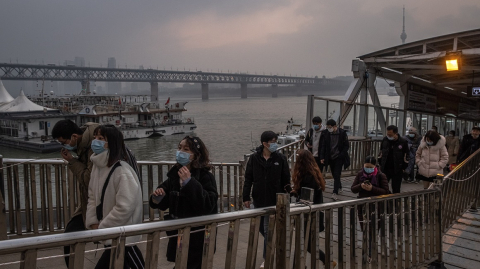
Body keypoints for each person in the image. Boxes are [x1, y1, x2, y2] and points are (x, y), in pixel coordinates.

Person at [149, 136, 218, 269]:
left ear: (196, 155)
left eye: (186, 149)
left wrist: (189, 182)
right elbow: (164, 201)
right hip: (179, 235)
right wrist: (157, 197)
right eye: (179, 148)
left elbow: (208, 205)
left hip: (199, 236)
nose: (180, 152)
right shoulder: (175, 175)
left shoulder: (205, 177)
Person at [85, 125, 145, 268]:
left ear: (111, 142)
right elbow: (92, 196)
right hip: (110, 233)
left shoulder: (122, 170)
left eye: (101, 138)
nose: (95, 142)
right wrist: (93, 221)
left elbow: (125, 207)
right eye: (95, 138)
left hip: (123, 235)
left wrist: (104, 227)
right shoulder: (97, 167)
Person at [52, 119, 98, 267]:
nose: (63, 145)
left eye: (63, 141)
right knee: (70, 236)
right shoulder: (83, 145)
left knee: (114, 244)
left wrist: (72, 161)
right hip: (89, 202)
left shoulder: (93, 146)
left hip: (101, 203)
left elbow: (88, 179)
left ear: (74, 136)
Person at [242, 131, 290, 268]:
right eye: (273, 142)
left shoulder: (280, 158)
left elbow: (286, 179)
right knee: (261, 228)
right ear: (265, 143)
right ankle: (273, 244)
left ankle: (266, 258)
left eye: (276, 141)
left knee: (267, 228)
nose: (275, 144)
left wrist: (289, 195)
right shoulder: (254, 158)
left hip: (274, 199)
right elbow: (248, 178)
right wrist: (246, 196)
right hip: (258, 198)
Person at [291, 149, 337, 268]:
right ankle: (302, 264)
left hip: (309, 215)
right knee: (304, 242)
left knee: (304, 242)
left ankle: (325, 260)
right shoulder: (312, 173)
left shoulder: (308, 177)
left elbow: (307, 198)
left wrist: (296, 194)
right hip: (313, 214)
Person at [351, 156, 390, 263]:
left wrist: (372, 188)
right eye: (366, 167)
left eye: (370, 167)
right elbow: (353, 189)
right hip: (362, 207)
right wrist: (361, 186)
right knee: (365, 230)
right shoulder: (360, 174)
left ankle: (369, 253)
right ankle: (368, 252)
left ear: (375, 166)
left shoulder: (381, 176)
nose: (368, 169)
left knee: (372, 232)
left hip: (377, 207)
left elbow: (386, 191)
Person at [319, 119, 350, 201]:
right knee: (334, 174)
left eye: (330, 127)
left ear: (335, 126)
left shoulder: (342, 133)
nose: (329, 129)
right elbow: (323, 146)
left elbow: (346, 146)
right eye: (328, 127)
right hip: (330, 157)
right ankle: (339, 186)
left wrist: (341, 155)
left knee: (336, 174)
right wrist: (322, 157)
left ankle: (335, 192)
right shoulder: (326, 133)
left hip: (339, 157)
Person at [378, 125, 409, 194]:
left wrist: (404, 167)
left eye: (390, 134)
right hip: (385, 167)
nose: (389, 136)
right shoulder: (385, 140)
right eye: (387, 134)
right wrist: (380, 163)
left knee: (396, 188)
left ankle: (395, 202)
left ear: (396, 134)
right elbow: (381, 152)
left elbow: (406, 156)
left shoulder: (403, 142)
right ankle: (383, 202)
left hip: (397, 169)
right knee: (382, 186)